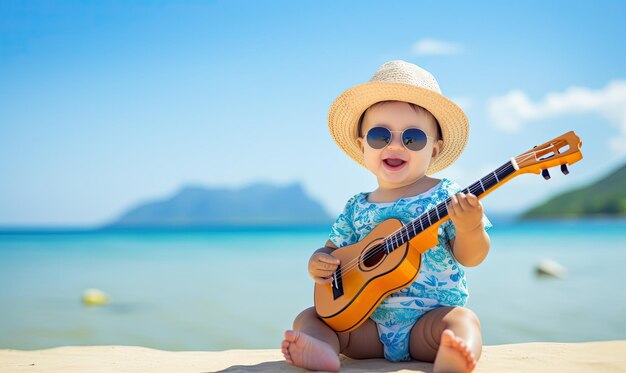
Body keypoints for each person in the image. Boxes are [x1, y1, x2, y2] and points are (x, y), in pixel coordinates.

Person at [281, 60, 491, 373]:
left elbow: (470, 257)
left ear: (434, 149)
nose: (395, 145)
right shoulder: (357, 206)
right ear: (361, 144)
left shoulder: (446, 196)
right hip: (365, 326)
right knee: (309, 317)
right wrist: (318, 261)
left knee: (462, 320)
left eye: (413, 138)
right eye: (380, 136)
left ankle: (455, 354)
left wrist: (470, 227)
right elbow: (331, 250)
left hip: (428, 323)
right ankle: (323, 350)